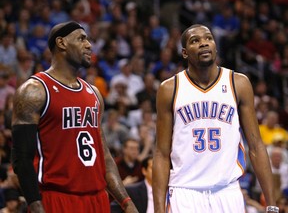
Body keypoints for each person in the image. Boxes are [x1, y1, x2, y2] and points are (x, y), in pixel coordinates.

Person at [11, 21, 138, 213]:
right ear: (61, 43)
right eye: (81, 39)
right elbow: (21, 158)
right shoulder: (34, 91)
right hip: (56, 197)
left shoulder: (94, 93)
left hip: (97, 199)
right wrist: (36, 205)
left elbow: (104, 156)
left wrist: (126, 202)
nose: (89, 45)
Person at [152, 24, 277, 213]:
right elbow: (161, 153)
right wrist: (159, 209)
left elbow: (256, 145)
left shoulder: (239, 83)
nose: (204, 44)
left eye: (208, 38)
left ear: (215, 47)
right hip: (185, 192)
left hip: (227, 191)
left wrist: (272, 205)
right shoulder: (169, 89)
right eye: (195, 41)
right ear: (185, 53)